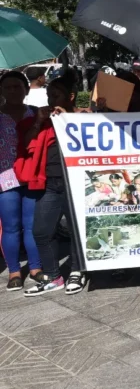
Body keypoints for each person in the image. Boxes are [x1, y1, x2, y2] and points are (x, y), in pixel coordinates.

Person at [16, 71, 85, 295]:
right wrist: (38, 122)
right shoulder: (43, 119)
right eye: (49, 95)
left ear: (70, 97)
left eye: (56, 95)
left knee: (76, 230)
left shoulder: (83, 116)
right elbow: (27, 144)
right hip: (50, 183)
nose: (50, 100)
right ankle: (54, 276)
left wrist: (69, 120)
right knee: (41, 231)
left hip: (74, 182)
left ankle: (77, 271)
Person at [0, 72, 42, 290]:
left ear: (26, 89)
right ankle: (14, 272)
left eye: (17, 86)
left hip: (31, 176)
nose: (13, 91)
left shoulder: (36, 114)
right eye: (7, 87)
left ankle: (35, 268)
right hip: (5, 179)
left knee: (31, 226)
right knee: (11, 228)